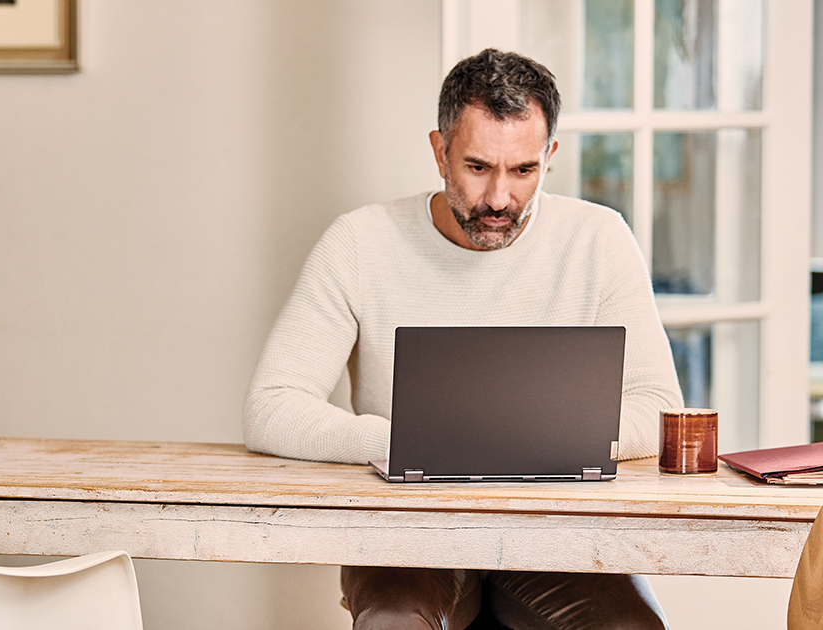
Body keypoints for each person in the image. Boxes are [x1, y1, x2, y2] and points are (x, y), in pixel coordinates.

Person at [242, 48, 683, 629]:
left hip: (561, 530)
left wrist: (507, 444)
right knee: (393, 621)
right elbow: (271, 408)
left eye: (524, 171)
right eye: (477, 167)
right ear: (439, 150)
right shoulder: (358, 242)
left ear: (550, 156)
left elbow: (659, 407)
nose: (499, 199)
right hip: (409, 527)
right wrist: (401, 442)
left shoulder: (597, 239)